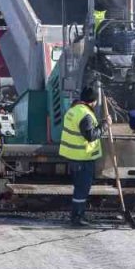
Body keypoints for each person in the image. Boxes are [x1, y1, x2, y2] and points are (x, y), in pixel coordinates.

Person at [59, 87, 103, 227]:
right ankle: (77, 217)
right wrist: (104, 126)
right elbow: (91, 136)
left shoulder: (73, 110)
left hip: (73, 156)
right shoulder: (86, 114)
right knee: (82, 189)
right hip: (83, 158)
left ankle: (76, 215)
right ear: (93, 101)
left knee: (79, 188)